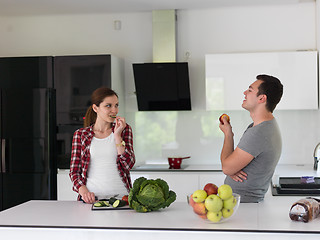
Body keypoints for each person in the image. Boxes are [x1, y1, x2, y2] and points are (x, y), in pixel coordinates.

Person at [219, 74, 283, 203]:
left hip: (245, 205)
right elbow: (230, 166)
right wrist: (232, 168)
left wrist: (228, 135)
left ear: (261, 98)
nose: (244, 93)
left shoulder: (259, 132)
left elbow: (226, 167)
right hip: (245, 203)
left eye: (250, 90)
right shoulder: (263, 126)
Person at [69, 87, 135, 204]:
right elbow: (74, 171)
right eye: (108, 106)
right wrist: (83, 191)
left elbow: (128, 165)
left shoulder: (124, 130)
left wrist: (117, 135)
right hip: (92, 201)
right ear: (95, 108)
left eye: (116, 105)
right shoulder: (81, 135)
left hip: (122, 200)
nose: (114, 110)